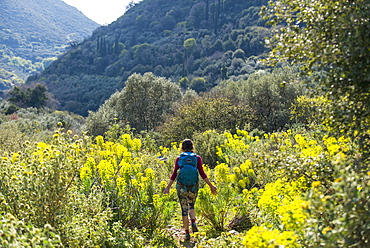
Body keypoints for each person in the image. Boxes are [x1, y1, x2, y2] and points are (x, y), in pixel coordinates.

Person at [163, 139, 217, 241]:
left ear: (182, 148)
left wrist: (168, 187)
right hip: (193, 185)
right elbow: (202, 173)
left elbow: (174, 173)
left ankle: (187, 233)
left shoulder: (179, 158)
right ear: (193, 147)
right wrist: (211, 186)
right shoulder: (197, 158)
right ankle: (193, 222)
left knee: (184, 209)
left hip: (181, 186)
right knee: (191, 205)